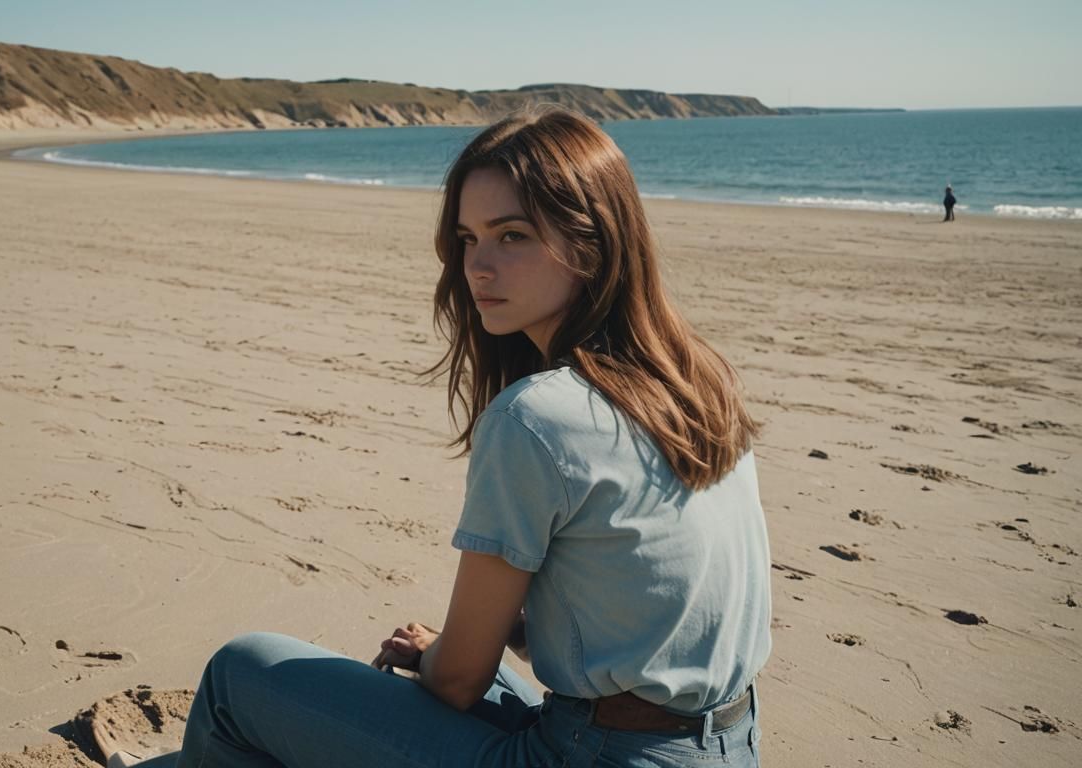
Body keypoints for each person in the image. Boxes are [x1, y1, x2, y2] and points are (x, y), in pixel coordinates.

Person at [101, 106, 772, 767]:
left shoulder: (537, 417)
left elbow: (456, 683)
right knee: (447, 665)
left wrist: (443, 658)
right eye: (467, 238)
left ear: (591, 240)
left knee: (237, 676)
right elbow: (636, 617)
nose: (478, 266)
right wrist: (457, 646)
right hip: (723, 745)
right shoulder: (697, 379)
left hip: (588, 754)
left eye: (512, 235)